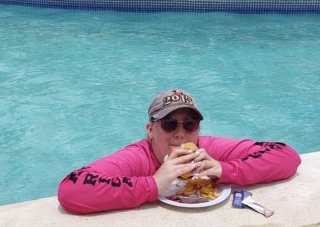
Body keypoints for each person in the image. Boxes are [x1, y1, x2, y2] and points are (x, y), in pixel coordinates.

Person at [58, 89, 301, 214]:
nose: (180, 134)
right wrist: (154, 184)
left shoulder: (206, 148)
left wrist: (224, 169)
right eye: (169, 123)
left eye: (189, 124)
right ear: (150, 129)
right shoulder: (137, 157)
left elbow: (286, 155)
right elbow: (72, 189)